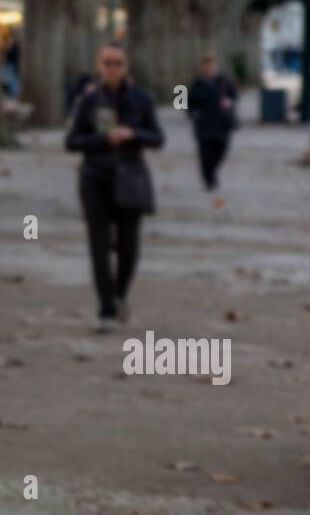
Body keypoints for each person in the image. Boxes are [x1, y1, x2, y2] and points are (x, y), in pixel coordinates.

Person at [65, 41, 164, 332]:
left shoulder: (142, 99)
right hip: (95, 178)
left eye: (118, 63)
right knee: (98, 246)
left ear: (126, 66)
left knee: (128, 247)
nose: (112, 68)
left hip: (130, 177)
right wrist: (103, 140)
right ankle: (105, 309)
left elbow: (158, 138)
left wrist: (132, 134)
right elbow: (72, 141)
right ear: (99, 66)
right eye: (107, 63)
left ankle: (120, 294)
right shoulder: (89, 100)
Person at [187, 51, 238, 190]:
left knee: (221, 150)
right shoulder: (197, 83)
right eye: (207, 66)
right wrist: (193, 114)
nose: (210, 69)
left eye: (212, 66)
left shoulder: (224, 81)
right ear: (203, 67)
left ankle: (211, 172)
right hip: (204, 125)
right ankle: (208, 178)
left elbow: (234, 96)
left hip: (222, 123)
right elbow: (186, 102)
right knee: (205, 154)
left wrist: (230, 102)